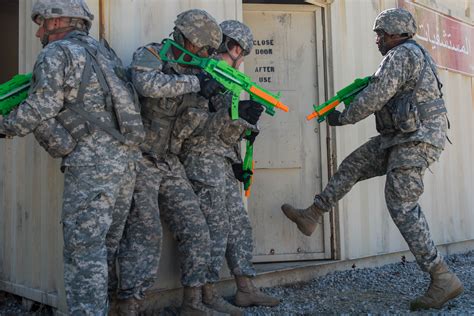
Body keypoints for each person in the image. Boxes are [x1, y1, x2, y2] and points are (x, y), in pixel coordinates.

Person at [281, 8, 463, 311]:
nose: (377, 40)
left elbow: (379, 93)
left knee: (401, 205)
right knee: (354, 164)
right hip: (400, 137)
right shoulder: (413, 54)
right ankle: (313, 214)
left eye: (381, 34)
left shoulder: (402, 54)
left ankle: (441, 276)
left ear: (396, 34)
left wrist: (344, 116)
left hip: (416, 140)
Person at [0, 0, 145, 314]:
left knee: (83, 252)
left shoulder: (57, 53)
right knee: (103, 248)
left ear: (58, 22)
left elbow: (41, 107)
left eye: (43, 23)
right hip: (126, 162)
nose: (39, 30)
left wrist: (5, 125)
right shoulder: (103, 53)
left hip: (93, 166)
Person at [115, 9, 224, 315]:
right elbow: (146, 85)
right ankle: (129, 306)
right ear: (187, 39)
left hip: (170, 160)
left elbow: (198, 127)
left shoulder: (201, 71)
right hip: (141, 159)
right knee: (144, 232)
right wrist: (195, 83)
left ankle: (192, 302)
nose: (204, 54)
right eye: (202, 48)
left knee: (197, 228)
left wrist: (219, 106)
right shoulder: (151, 55)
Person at [171, 20, 280, 315]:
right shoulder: (201, 75)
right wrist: (235, 119)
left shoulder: (226, 77)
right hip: (202, 160)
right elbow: (194, 127)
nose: (241, 59)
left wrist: (246, 122)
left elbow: (223, 127)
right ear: (234, 48)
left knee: (238, 225)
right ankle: (205, 295)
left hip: (221, 158)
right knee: (214, 229)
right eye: (241, 53)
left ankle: (245, 288)